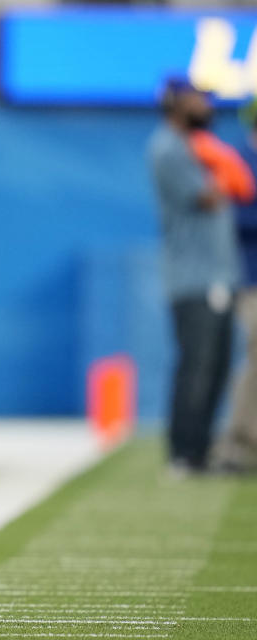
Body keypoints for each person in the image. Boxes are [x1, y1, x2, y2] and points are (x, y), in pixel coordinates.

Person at [148, 77, 242, 474]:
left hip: (219, 274)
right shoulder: (168, 148)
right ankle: (183, 453)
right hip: (194, 277)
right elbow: (208, 196)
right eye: (197, 100)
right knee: (196, 367)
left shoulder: (193, 147)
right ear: (176, 104)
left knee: (217, 367)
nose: (205, 107)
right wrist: (227, 170)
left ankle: (200, 451)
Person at [211, 104, 257, 473]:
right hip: (250, 277)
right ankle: (234, 441)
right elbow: (235, 217)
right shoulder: (237, 160)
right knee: (251, 359)